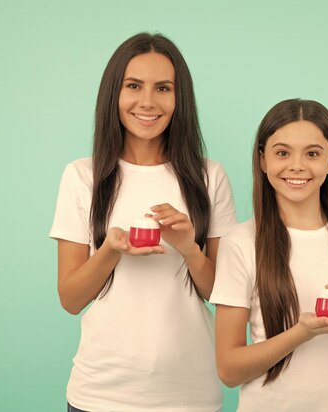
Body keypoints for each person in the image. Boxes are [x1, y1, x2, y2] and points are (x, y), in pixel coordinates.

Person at [49, 32, 237, 412]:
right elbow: (71, 299)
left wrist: (188, 248)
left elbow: (224, 293)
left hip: (190, 394)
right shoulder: (82, 176)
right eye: (133, 86)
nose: (148, 102)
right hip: (100, 394)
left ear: (178, 97)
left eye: (163, 88)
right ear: (113, 94)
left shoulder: (208, 176)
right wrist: (111, 250)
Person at [210, 99, 328, 411]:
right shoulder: (240, 242)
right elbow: (228, 370)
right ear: (263, 160)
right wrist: (302, 333)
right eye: (282, 153)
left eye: (312, 153)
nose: (297, 165)